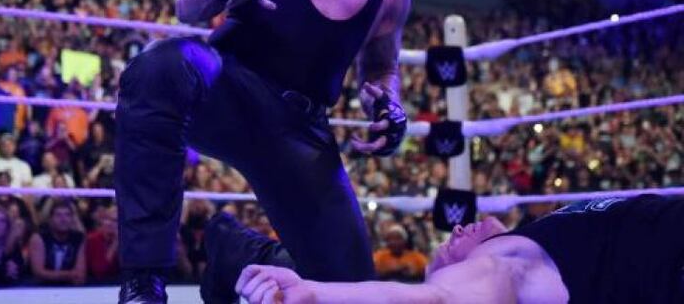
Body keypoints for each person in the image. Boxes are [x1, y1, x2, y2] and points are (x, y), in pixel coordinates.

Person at [115, 0, 411, 303]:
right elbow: (188, 4)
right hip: (229, 88)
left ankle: (236, 253)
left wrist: (389, 107)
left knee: (350, 289)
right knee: (160, 65)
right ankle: (143, 279)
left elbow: (381, 68)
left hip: (300, 130)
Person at [235, 195, 684, 304]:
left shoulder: (543, 236)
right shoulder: (504, 260)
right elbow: (438, 298)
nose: (455, 231)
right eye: (445, 251)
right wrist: (315, 292)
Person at [28, 199, 86, 286]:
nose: (63, 219)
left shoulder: (79, 238)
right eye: (58, 215)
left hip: (68, 287)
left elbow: (80, 275)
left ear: (72, 219)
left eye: (67, 215)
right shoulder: (38, 238)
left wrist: (64, 276)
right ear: (50, 219)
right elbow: (39, 273)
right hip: (40, 287)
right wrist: (70, 275)